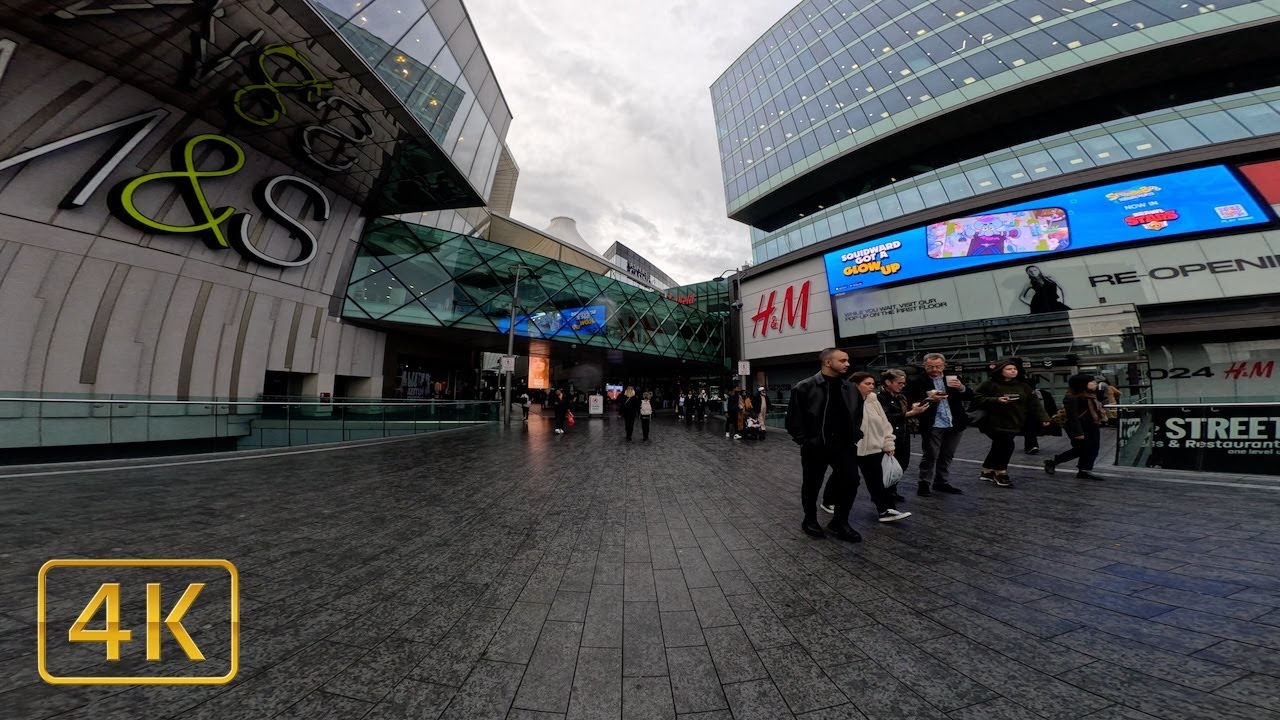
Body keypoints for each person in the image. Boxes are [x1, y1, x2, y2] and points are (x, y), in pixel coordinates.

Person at [785, 348, 864, 542]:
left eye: (848, 360)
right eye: (843, 360)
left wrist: (855, 435)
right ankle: (809, 520)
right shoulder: (804, 387)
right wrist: (806, 441)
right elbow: (793, 420)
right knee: (812, 485)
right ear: (828, 362)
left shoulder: (850, 388)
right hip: (816, 446)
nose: (847, 364)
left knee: (851, 481)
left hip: (844, 445)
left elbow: (857, 415)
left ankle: (840, 521)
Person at [972, 360, 1051, 487]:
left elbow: (1034, 403)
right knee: (1007, 446)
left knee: (998, 446)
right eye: (1009, 369)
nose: (1013, 371)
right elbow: (975, 397)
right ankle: (1000, 473)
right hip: (993, 421)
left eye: (1014, 368)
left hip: (1015, 421)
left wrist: (1044, 418)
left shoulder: (1022, 385)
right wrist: (996, 400)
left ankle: (986, 471)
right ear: (1000, 371)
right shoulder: (990, 384)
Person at [905, 353, 972, 496]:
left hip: (953, 422)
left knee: (947, 455)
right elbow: (911, 401)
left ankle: (941, 482)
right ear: (925, 366)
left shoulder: (953, 378)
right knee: (930, 455)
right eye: (930, 367)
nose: (935, 369)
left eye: (938, 366)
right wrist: (928, 399)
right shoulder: (917, 381)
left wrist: (961, 387)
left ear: (944, 365)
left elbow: (969, 396)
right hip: (933, 423)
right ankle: (924, 483)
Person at [850, 371, 912, 523]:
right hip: (852, 449)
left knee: (877, 481)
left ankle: (884, 511)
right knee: (848, 479)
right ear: (855, 385)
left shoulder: (873, 400)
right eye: (867, 383)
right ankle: (830, 501)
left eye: (873, 383)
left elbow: (885, 424)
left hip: (873, 448)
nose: (871, 386)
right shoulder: (847, 400)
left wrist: (888, 443)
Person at [878, 369, 930, 500]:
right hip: (888, 436)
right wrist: (911, 413)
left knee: (902, 464)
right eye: (899, 383)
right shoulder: (879, 397)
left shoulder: (901, 396)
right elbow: (886, 417)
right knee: (887, 465)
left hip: (903, 434)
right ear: (888, 382)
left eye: (903, 383)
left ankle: (892, 490)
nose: (902, 386)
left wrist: (918, 406)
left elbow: (906, 411)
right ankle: (885, 493)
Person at [1045, 374, 1106, 480]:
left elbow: (1101, 402)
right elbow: (1072, 416)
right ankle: (1053, 462)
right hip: (1079, 426)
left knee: (1093, 448)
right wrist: (1078, 433)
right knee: (1082, 449)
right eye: (1092, 381)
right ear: (1083, 384)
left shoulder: (1091, 394)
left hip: (1092, 424)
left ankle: (1084, 471)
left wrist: (1100, 390)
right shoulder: (1071, 397)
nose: (1095, 383)